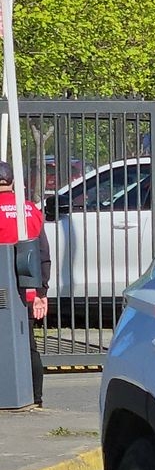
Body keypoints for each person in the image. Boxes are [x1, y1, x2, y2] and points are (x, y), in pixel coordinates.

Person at [0, 160, 50, 408]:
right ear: (12, 182)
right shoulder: (30, 209)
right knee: (28, 344)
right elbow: (43, 253)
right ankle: (36, 398)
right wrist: (42, 292)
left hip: (3, 288)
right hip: (27, 287)